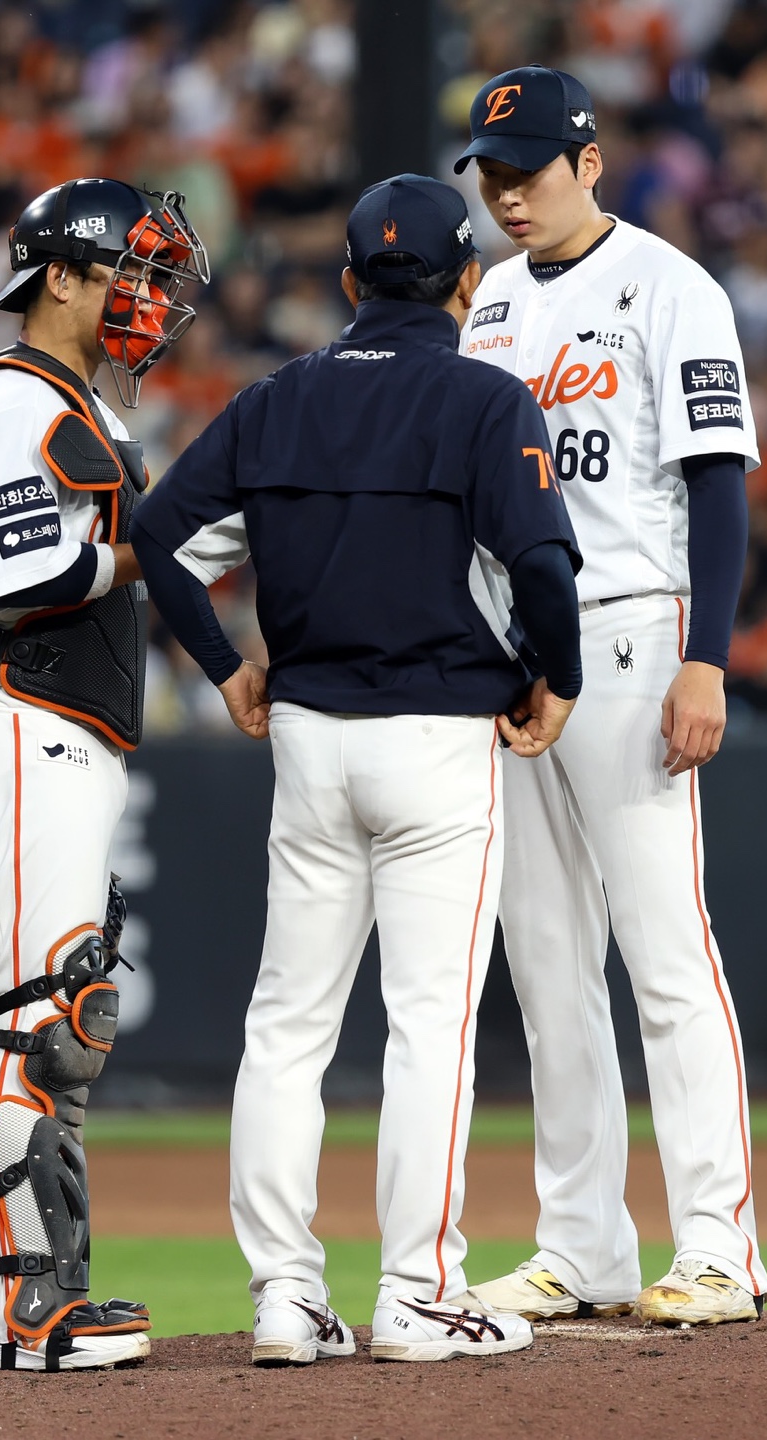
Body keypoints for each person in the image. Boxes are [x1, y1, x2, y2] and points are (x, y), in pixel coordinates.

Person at [131, 174, 584, 1366]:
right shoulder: (486, 398)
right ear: (467, 282)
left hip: (310, 740)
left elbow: (156, 534)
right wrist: (559, 677)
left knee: (288, 1023)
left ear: (347, 282)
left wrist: (225, 666)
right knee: (429, 1025)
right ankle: (418, 1293)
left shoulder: (277, 397)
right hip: (437, 738)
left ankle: (285, 1295)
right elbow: (543, 567)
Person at [449, 67, 767, 1326]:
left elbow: (718, 482)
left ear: (589, 162)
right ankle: (582, 1243)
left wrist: (710, 656)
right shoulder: (487, 307)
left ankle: (719, 1245)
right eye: (492, 173)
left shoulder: (671, 286)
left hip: (634, 631)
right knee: (545, 961)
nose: (506, 193)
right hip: (517, 652)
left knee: (666, 950)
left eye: (527, 168)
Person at [0, 177, 209, 1371]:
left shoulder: (58, 397)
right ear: (66, 278)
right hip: (17, 716)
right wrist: (150, 548)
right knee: (45, 1022)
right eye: (131, 274)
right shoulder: (19, 402)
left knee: (53, 1020)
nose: (150, 299)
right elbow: (8, 579)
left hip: (43, 726)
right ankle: (29, 1309)